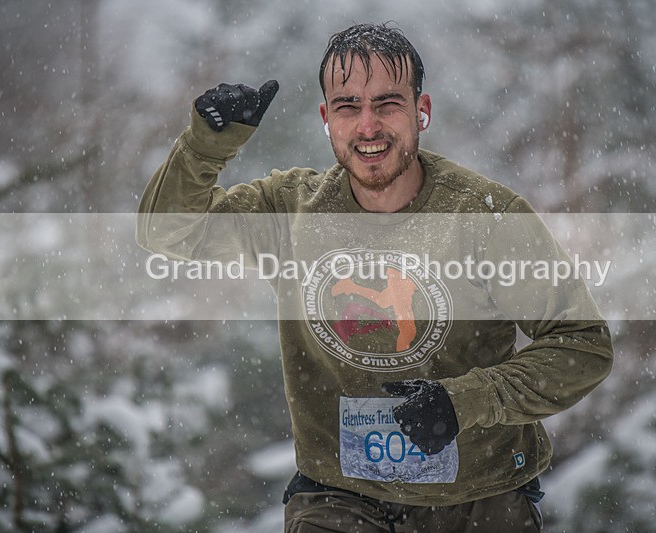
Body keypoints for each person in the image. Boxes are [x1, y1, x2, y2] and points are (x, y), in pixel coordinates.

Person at [137, 22, 613, 533]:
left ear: (421, 111)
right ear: (326, 118)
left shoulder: (485, 217)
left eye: (387, 104)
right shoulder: (291, 212)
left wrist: (465, 401)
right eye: (347, 107)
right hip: (337, 499)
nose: (368, 126)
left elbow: (582, 345)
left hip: (478, 499)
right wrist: (206, 146)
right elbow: (168, 234)